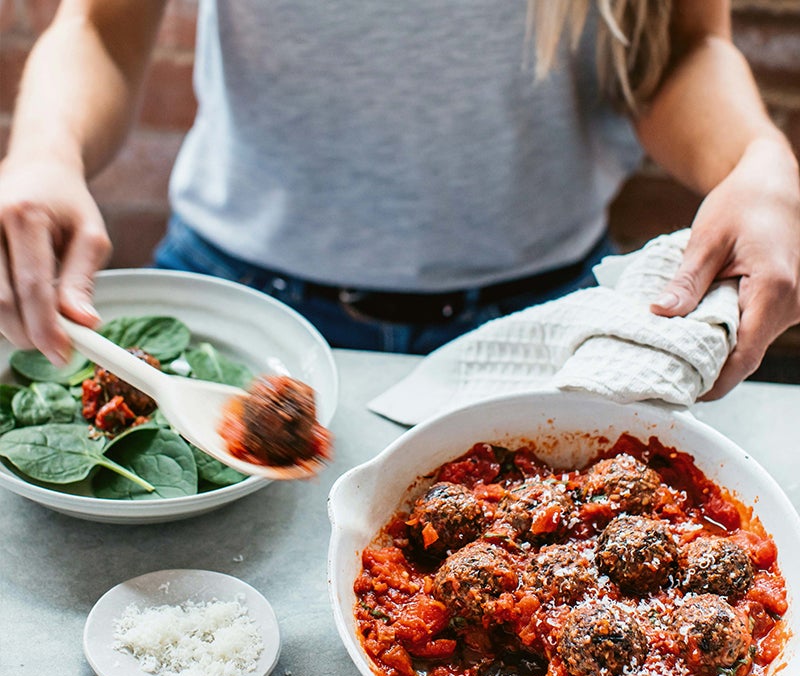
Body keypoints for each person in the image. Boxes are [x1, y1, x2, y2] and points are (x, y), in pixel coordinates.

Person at [0, 0, 797, 400]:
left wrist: (758, 160)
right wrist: (41, 152)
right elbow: (103, 27)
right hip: (243, 306)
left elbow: (683, 43)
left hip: (541, 321)